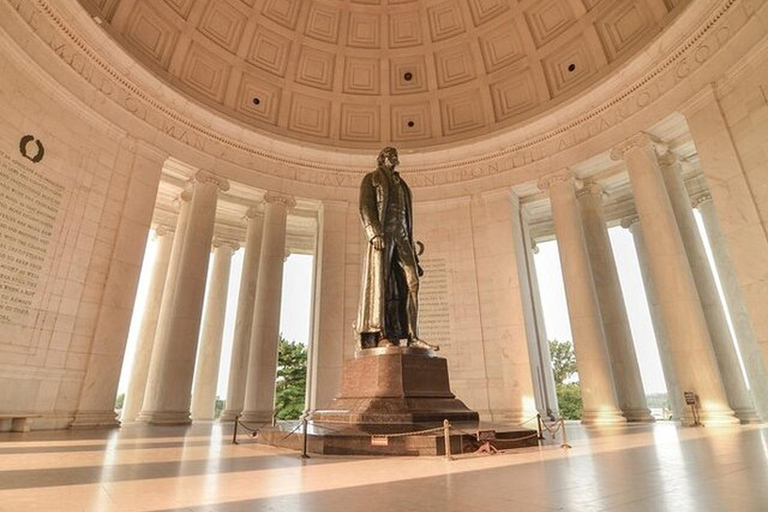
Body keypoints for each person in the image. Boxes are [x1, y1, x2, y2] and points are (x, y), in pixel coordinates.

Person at [355, 147, 439, 351]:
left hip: (402, 235)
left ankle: (413, 336)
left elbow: (407, 219)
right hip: (383, 234)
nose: (394, 158)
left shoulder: (403, 186)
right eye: (389, 155)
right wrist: (373, 232)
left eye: (395, 155)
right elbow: (365, 206)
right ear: (381, 159)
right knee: (381, 283)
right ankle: (382, 333)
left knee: (412, 282)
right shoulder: (372, 178)